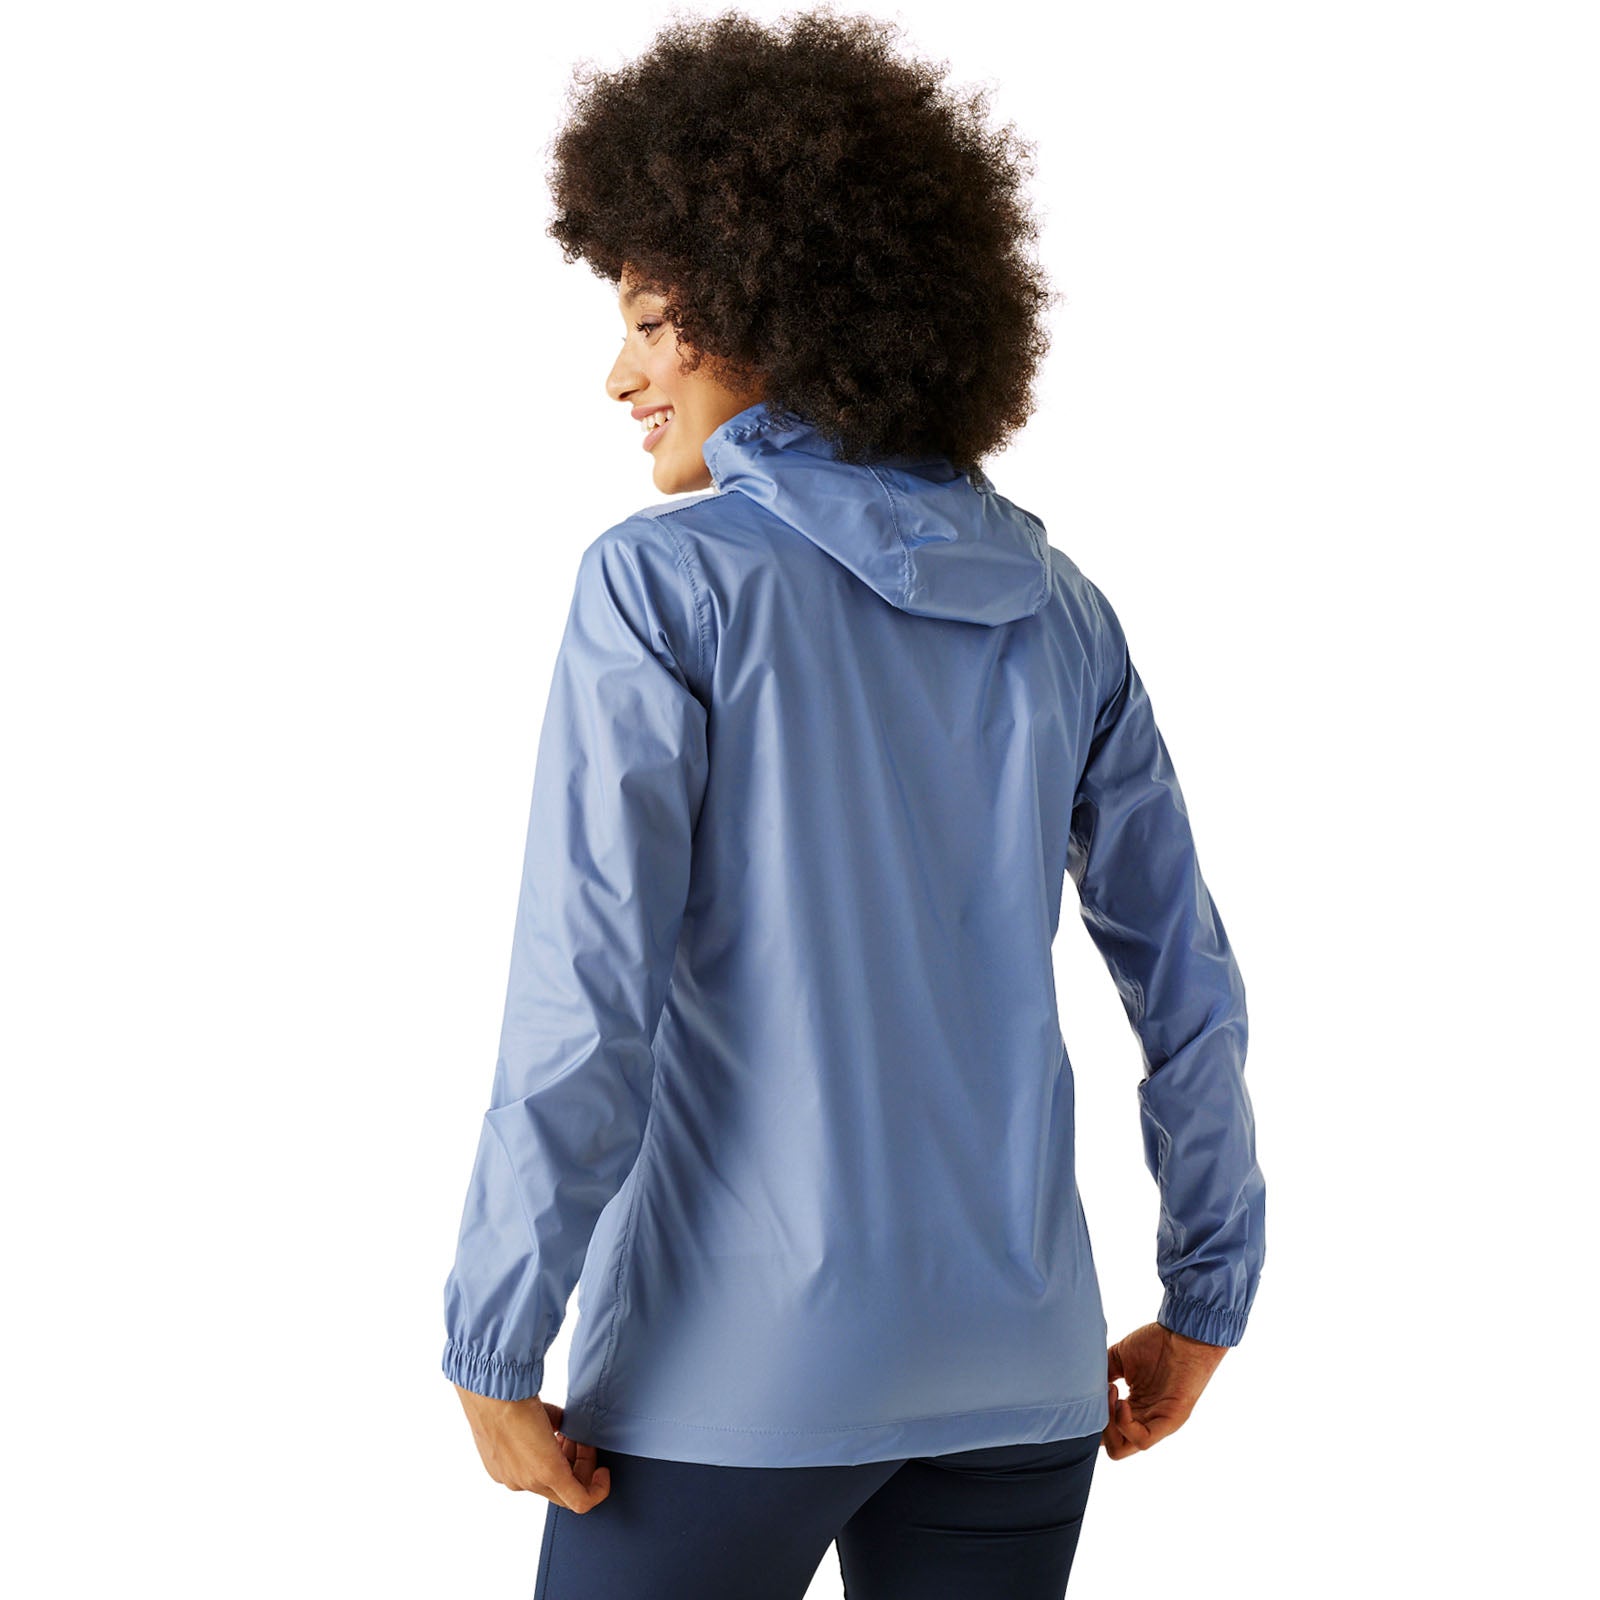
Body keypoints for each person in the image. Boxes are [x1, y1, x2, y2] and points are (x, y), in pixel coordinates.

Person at [440, 9, 1266, 1597]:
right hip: (1021, 1374)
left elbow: (586, 990)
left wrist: (495, 1330)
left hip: (726, 1379)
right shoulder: (1062, 610)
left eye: (652, 322)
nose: (619, 373)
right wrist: (1209, 1290)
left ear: (770, 308)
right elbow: (1187, 980)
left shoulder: (659, 588)